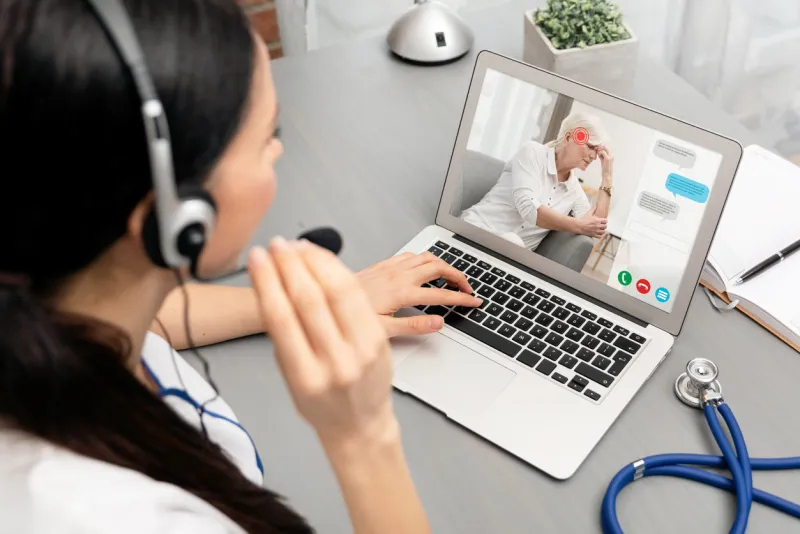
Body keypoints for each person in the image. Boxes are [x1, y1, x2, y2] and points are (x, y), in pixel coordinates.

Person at [0, 1, 484, 532]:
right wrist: (364, 436)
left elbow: (132, 310)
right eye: (264, 139)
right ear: (175, 218)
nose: (278, 152)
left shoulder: (54, 299)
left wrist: (298, 307)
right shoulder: (111, 515)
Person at [460, 112, 615, 251]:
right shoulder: (532, 152)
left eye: (597, 151)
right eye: (591, 147)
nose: (594, 157)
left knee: (513, 243)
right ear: (569, 137)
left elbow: (596, 227)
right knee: (513, 241)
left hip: (510, 257)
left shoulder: (574, 190)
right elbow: (528, 209)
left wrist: (607, 176)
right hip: (475, 231)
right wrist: (579, 226)